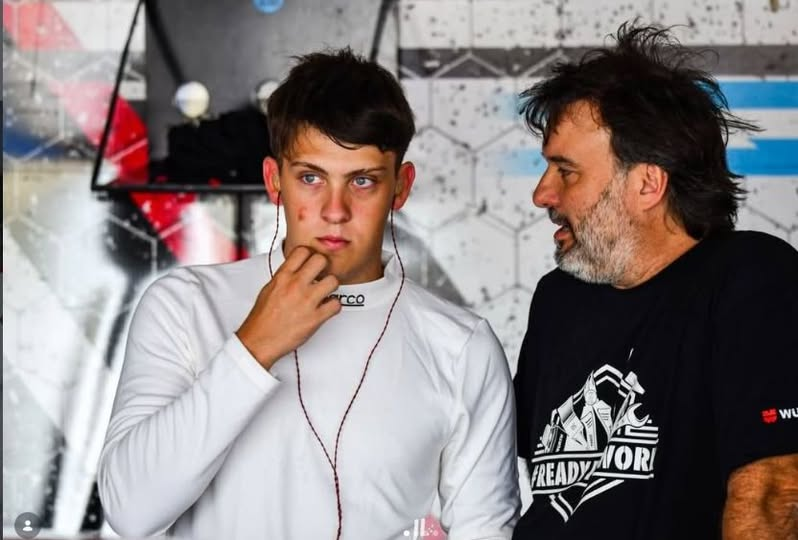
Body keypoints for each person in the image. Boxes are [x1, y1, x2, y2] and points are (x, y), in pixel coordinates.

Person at [97, 49, 519, 539]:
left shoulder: (461, 346)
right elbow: (130, 511)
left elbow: (485, 531)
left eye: (362, 181)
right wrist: (255, 346)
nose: (335, 210)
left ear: (400, 188)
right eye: (311, 178)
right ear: (275, 181)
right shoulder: (185, 305)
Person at [512, 23, 798, 540]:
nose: (541, 194)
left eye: (566, 171)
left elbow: (774, 492)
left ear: (647, 183)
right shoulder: (558, 299)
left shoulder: (753, 280)